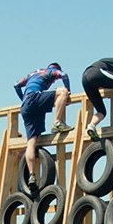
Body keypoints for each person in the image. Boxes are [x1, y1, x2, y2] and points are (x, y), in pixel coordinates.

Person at [14, 63, 72, 192]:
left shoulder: (32, 74)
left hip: (26, 106)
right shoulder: (49, 71)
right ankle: (57, 122)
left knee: (31, 143)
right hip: (35, 99)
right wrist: (68, 91)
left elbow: (16, 85)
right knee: (62, 91)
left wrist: (23, 98)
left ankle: (32, 175)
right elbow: (64, 75)